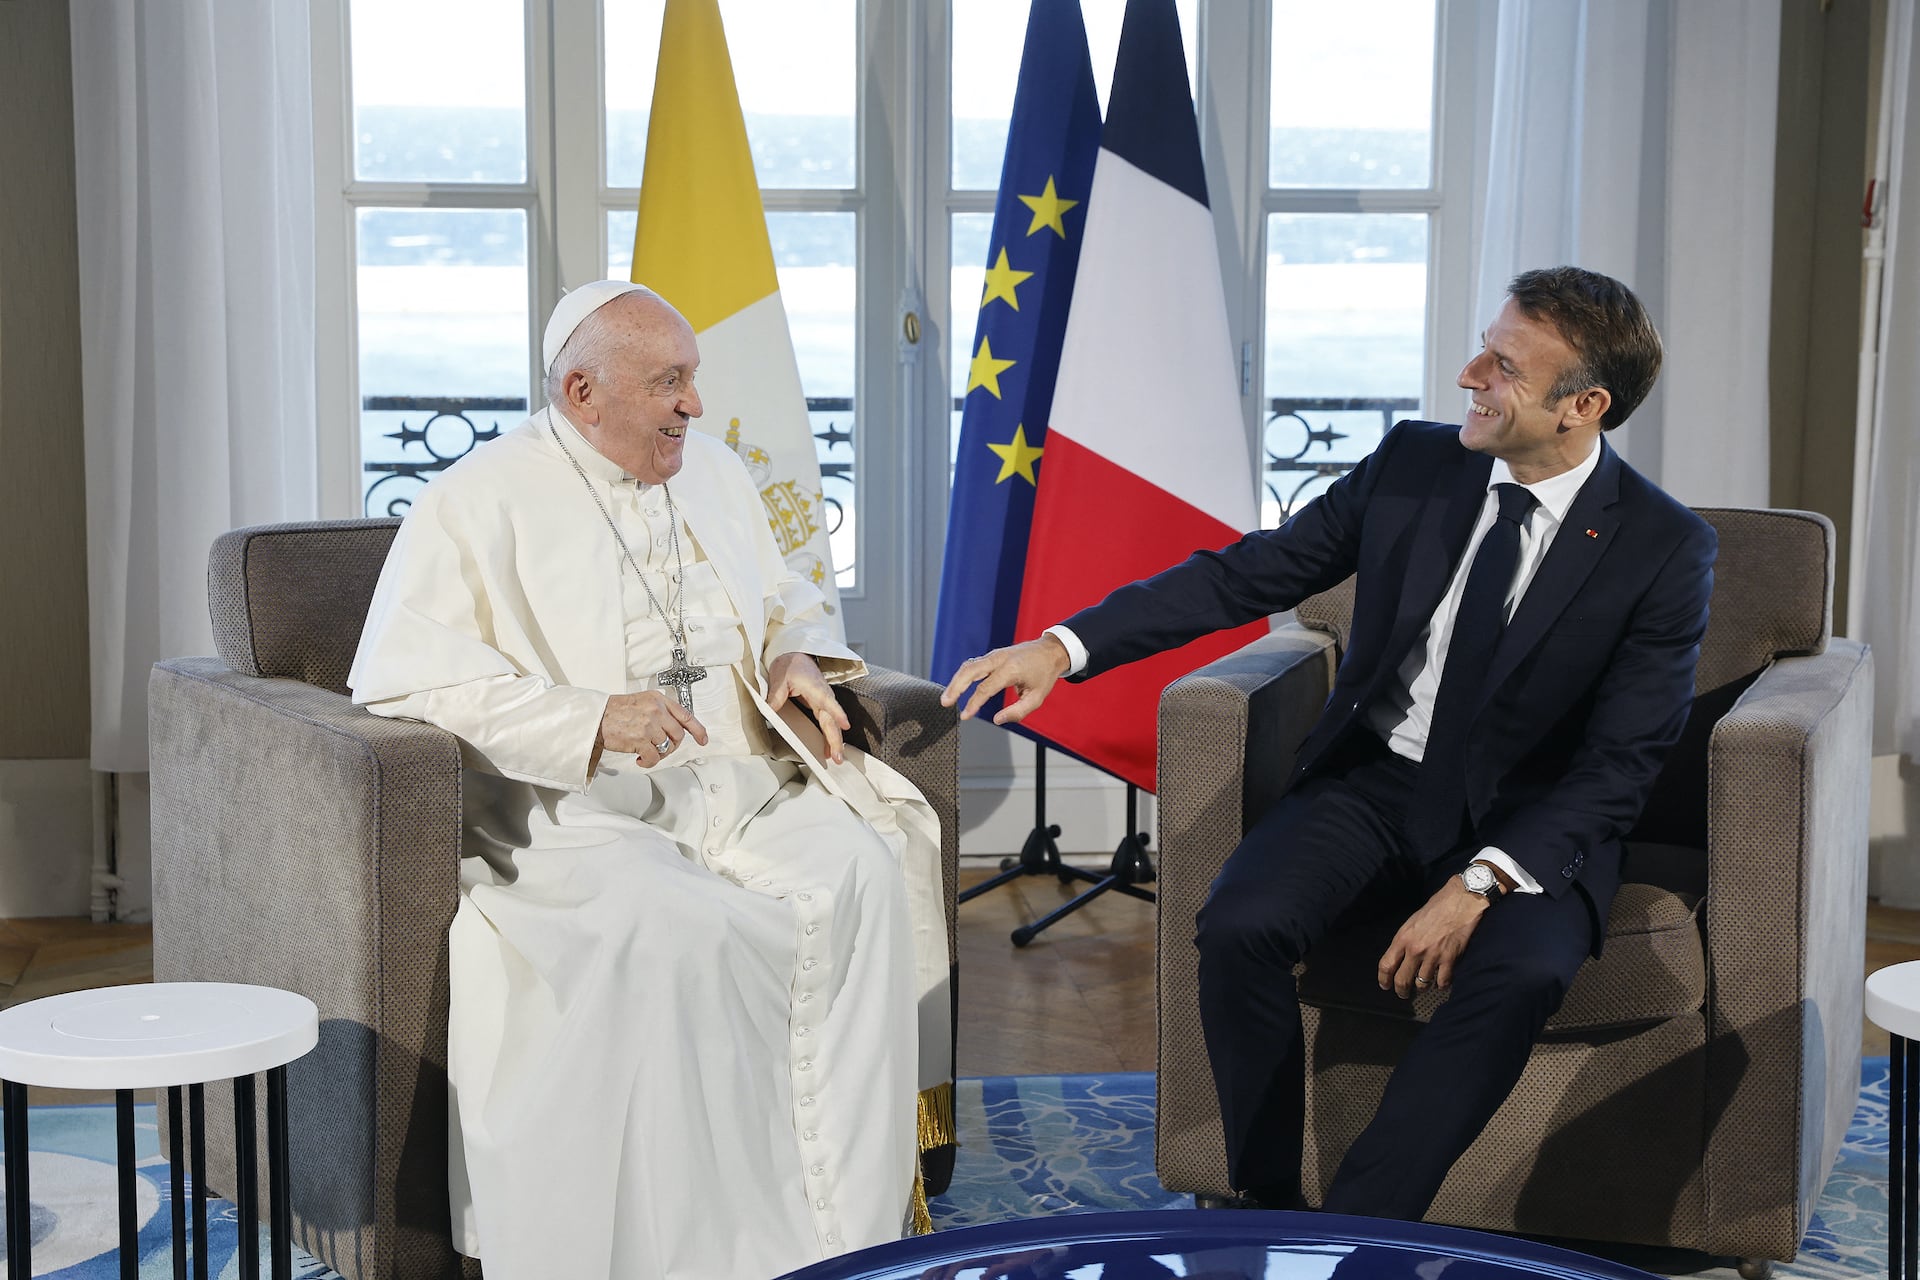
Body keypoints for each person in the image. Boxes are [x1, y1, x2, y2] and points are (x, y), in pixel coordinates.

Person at [942, 266, 1715, 1219]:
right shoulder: (1415, 465)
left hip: (1534, 821)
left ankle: (1357, 1238)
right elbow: (1250, 573)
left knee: (1523, 972)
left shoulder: (1664, 548)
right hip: (1375, 784)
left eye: (1504, 365)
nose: (1469, 374)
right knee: (1237, 925)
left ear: (1582, 405)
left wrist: (1479, 883)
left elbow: (1621, 764)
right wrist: (1063, 648)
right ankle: (1264, 1206)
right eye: (1484, 344)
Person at [348, 280, 952, 1280]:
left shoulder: (713, 472)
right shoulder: (479, 497)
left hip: (737, 783)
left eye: (693, 379)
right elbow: (417, 683)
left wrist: (795, 652)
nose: (695, 407)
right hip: (578, 812)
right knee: (678, 929)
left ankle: (847, 1231)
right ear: (583, 393)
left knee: (862, 872)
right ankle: (695, 1250)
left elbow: (783, 594)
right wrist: (588, 719)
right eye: (669, 383)